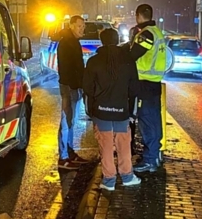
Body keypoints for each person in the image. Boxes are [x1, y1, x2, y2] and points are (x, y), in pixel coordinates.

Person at [84, 27, 141, 190]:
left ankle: (109, 180)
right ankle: (127, 176)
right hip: (121, 110)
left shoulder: (93, 61)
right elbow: (134, 88)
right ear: (117, 41)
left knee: (105, 145)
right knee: (123, 143)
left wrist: (94, 104)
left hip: (101, 111)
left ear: (102, 41)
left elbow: (87, 88)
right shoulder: (128, 62)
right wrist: (129, 107)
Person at [126, 3, 171, 174]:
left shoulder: (146, 35)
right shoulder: (157, 32)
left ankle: (150, 160)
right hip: (154, 83)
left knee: (147, 121)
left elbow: (132, 55)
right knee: (154, 120)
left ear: (138, 16)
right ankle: (155, 155)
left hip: (144, 84)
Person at [56, 15, 90, 170]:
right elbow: (68, 68)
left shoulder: (73, 41)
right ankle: (63, 157)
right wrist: (75, 85)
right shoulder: (67, 43)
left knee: (71, 121)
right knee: (66, 120)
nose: (82, 29)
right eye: (79, 26)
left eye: (83, 26)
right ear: (71, 26)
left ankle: (70, 152)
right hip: (69, 87)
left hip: (74, 86)